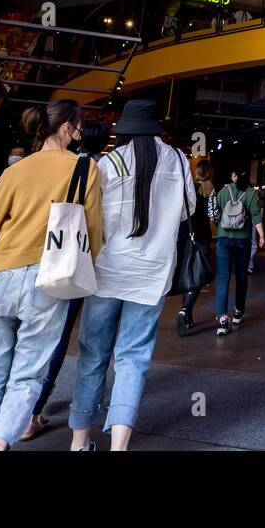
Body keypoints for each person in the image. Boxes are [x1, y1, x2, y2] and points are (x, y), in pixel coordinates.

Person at [0, 99, 103, 451]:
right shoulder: (85, 168)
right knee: (28, 374)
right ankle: (0, 442)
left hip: (0, 278)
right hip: (49, 280)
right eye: (79, 126)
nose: (80, 133)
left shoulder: (14, 171)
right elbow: (94, 233)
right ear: (68, 128)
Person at [70, 100, 194, 450]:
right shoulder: (179, 160)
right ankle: (119, 445)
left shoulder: (109, 162)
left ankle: (80, 441)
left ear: (124, 128)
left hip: (106, 271)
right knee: (133, 356)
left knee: (93, 353)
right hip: (152, 273)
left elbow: (90, 214)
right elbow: (189, 211)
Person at [20, 119, 109, 442]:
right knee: (59, 336)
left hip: (43, 255)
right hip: (75, 262)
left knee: (34, 332)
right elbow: (98, 224)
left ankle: (21, 408)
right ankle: (33, 412)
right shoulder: (96, 170)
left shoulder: (61, 164)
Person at [215, 167, 263, 336]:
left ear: (233, 175)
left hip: (223, 239)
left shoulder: (222, 192)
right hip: (242, 240)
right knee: (241, 276)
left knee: (222, 278)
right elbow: (256, 216)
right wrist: (262, 236)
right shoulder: (250, 193)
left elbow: (215, 214)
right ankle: (238, 312)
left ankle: (221, 319)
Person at [177, 159, 215, 336]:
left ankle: (188, 318)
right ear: (209, 172)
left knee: (188, 273)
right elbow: (213, 214)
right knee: (199, 275)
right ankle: (185, 310)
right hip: (202, 236)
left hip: (186, 234)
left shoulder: (189, 187)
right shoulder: (210, 189)